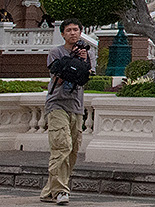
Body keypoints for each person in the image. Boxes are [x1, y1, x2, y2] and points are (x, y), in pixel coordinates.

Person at [40, 18, 95, 204]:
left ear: (81, 32)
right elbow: (59, 77)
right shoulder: (56, 52)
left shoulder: (88, 53)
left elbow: (85, 78)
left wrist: (83, 61)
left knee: (72, 151)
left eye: (76, 30)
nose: (73, 33)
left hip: (77, 106)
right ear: (63, 33)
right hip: (57, 104)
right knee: (61, 147)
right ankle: (62, 191)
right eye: (69, 30)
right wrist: (71, 61)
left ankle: (49, 191)